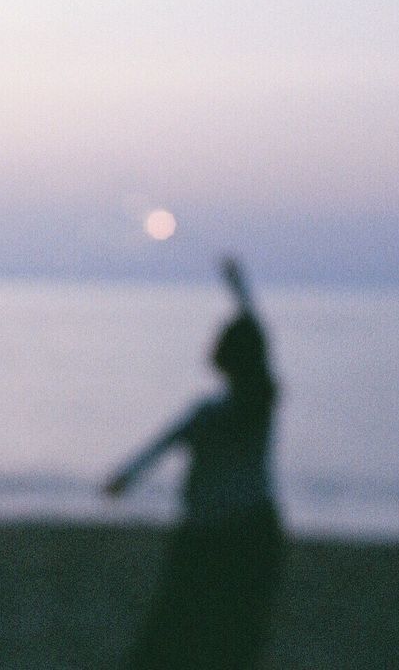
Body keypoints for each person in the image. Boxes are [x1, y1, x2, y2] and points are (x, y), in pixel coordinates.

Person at [103, 258, 284, 670]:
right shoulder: (242, 409)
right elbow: (159, 448)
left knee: (191, 632)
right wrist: (240, 290)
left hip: (226, 535)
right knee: (222, 636)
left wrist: (124, 479)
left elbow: (157, 449)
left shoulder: (242, 409)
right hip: (239, 534)